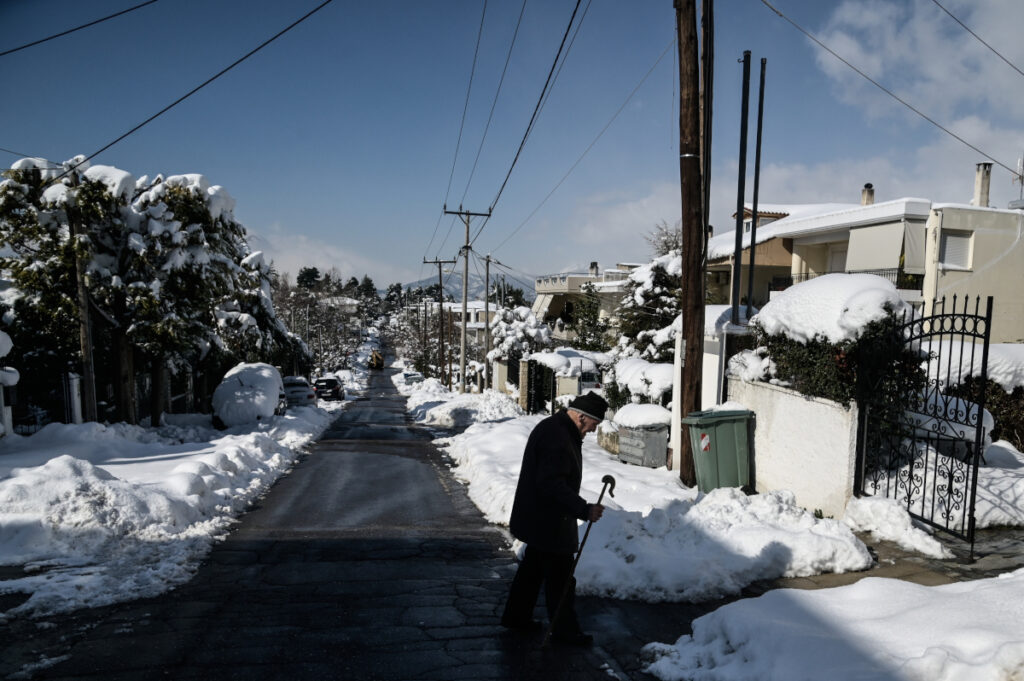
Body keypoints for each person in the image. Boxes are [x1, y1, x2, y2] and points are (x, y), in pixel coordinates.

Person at [500, 391, 609, 647]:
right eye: (594, 425)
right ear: (582, 417)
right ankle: (565, 632)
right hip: (549, 521)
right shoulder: (558, 437)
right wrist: (584, 509)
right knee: (561, 578)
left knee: (532, 570)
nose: (593, 431)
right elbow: (552, 484)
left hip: (541, 517)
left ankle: (517, 618)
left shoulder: (556, 428)